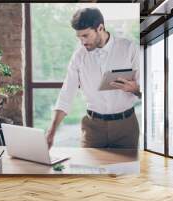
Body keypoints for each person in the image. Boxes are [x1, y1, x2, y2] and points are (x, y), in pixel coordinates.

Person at [46, 7, 141, 149]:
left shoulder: (129, 48)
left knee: (126, 171)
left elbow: (147, 90)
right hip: (93, 129)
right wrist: (51, 132)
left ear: (100, 28)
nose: (82, 42)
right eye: (79, 37)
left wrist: (135, 88)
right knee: (88, 171)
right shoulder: (79, 56)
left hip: (126, 127)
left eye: (85, 36)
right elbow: (66, 95)